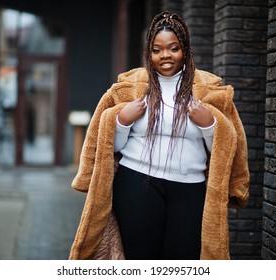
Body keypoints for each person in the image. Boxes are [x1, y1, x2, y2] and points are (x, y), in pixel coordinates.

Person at [69, 11, 249, 260]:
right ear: (149, 53)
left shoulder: (208, 92)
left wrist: (210, 126)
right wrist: (122, 120)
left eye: (173, 48)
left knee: (183, 260)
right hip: (136, 184)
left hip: (190, 189)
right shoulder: (132, 89)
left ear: (184, 50)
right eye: (157, 50)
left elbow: (220, 150)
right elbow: (114, 147)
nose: (165, 55)